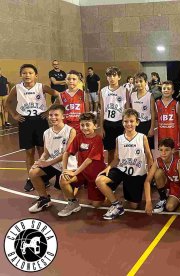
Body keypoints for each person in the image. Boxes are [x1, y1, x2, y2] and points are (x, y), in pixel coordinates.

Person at [5, 64, 59, 192]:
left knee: (42, 151)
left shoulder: (42, 87)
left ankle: (43, 177)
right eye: (24, 73)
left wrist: (49, 111)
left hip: (40, 121)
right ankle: (31, 178)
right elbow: (7, 102)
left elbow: (58, 95)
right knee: (29, 152)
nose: (27, 75)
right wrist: (14, 115)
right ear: (21, 75)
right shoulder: (17, 88)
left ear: (36, 75)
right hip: (25, 122)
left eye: (30, 73)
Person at [96, 109, 153, 220]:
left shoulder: (142, 137)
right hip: (121, 170)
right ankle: (117, 205)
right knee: (99, 180)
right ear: (122, 122)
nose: (128, 124)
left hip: (137, 174)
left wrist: (150, 169)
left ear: (137, 122)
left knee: (134, 206)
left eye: (131, 121)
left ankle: (128, 192)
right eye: (126, 121)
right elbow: (116, 159)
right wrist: (108, 167)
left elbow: (149, 156)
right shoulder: (119, 139)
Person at [28, 104, 77, 213]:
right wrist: (41, 160)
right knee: (33, 172)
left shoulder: (71, 131)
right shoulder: (46, 132)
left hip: (68, 165)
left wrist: (48, 163)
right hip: (53, 164)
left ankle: (73, 203)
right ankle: (44, 199)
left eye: (56, 115)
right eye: (50, 115)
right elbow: (46, 152)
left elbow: (66, 153)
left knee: (63, 184)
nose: (53, 117)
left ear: (63, 116)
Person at [59, 112, 106, 216]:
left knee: (96, 205)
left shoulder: (98, 139)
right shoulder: (79, 137)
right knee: (63, 178)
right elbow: (66, 153)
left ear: (95, 125)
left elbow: (89, 160)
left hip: (95, 176)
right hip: (83, 173)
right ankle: (73, 203)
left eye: (88, 125)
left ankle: (104, 188)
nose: (85, 127)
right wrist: (64, 170)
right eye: (82, 125)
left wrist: (75, 172)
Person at [146, 138, 180, 213]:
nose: (163, 153)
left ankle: (179, 197)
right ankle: (163, 199)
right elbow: (147, 181)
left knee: (169, 207)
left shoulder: (179, 162)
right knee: (158, 173)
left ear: (173, 150)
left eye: (166, 150)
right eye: (161, 150)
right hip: (167, 184)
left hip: (177, 186)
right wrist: (148, 202)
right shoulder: (157, 161)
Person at [99, 66, 128, 164]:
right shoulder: (103, 91)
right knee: (110, 151)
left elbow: (127, 109)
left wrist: (126, 126)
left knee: (122, 150)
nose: (111, 78)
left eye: (114, 75)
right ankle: (111, 173)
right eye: (109, 75)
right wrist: (101, 127)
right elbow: (102, 110)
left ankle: (122, 171)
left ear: (119, 77)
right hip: (108, 124)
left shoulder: (124, 90)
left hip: (120, 123)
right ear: (106, 77)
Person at [130, 72, 156, 149]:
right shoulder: (132, 95)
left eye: (141, 81)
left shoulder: (150, 96)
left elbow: (153, 113)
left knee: (148, 149)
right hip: (135, 125)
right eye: (136, 82)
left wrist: (152, 128)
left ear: (146, 82)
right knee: (137, 148)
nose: (138, 84)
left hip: (146, 125)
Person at [155, 81, 180, 151]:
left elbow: (179, 120)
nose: (166, 90)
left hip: (173, 134)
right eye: (164, 88)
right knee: (163, 154)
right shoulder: (157, 103)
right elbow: (155, 117)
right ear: (161, 90)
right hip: (162, 135)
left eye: (168, 88)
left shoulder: (176, 104)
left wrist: (171, 125)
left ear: (172, 91)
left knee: (175, 153)